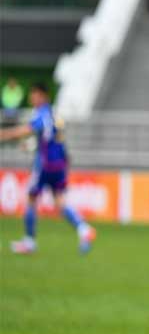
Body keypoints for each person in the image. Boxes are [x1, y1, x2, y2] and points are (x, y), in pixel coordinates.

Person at [0, 82, 95, 255]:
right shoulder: (54, 115)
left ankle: (29, 242)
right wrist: (32, 146)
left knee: (31, 197)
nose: (31, 98)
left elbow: (26, 130)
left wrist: (5, 134)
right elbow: (52, 139)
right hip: (59, 164)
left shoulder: (42, 114)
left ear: (42, 96)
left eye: (34, 94)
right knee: (59, 202)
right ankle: (84, 229)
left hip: (45, 164)